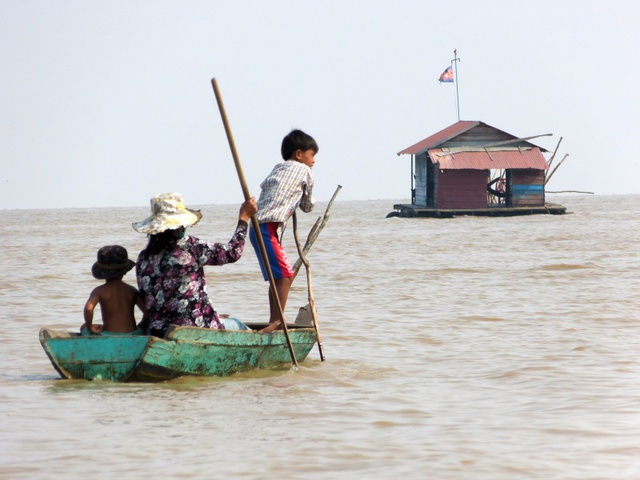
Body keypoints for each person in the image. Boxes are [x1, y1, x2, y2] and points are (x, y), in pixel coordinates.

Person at [133, 192, 257, 337]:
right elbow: (233, 252)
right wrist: (244, 218)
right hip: (194, 327)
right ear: (179, 226)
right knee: (237, 325)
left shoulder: (144, 257)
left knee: (223, 320)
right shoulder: (191, 247)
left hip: (157, 330)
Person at [249, 129, 317, 331]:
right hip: (268, 228)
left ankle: (274, 319)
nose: (313, 161)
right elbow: (307, 206)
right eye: (312, 155)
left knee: (278, 277)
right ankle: (277, 321)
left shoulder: (277, 168)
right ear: (299, 154)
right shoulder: (305, 171)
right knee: (286, 276)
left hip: (257, 227)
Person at [82, 245, 147, 334]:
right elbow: (147, 313)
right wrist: (140, 326)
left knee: (83, 327)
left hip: (109, 334)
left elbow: (89, 308)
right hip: (133, 333)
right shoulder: (132, 290)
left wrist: (89, 327)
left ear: (101, 272)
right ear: (125, 271)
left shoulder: (99, 291)